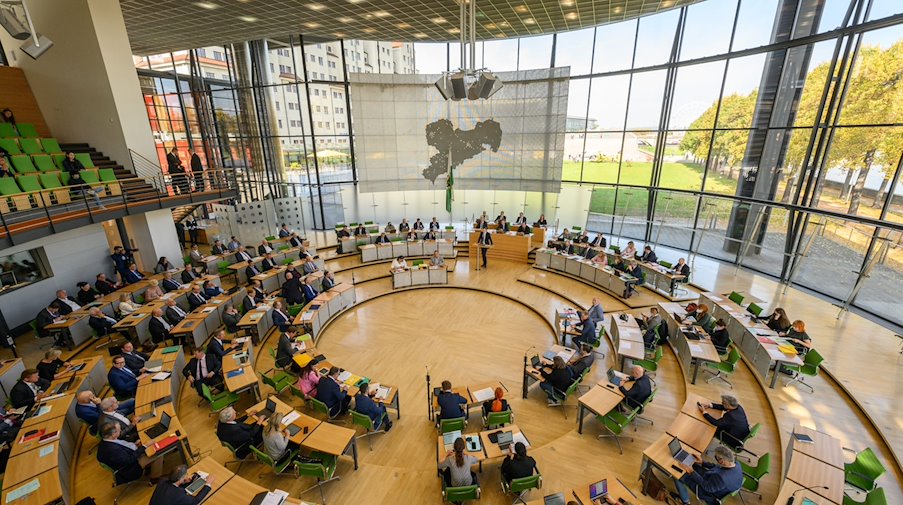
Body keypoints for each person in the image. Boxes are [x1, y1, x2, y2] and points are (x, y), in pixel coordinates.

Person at [672, 446, 743, 505]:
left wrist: (691, 471)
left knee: (678, 475)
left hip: (707, 493)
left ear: (722, 461)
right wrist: (702, 462)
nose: (715, 458)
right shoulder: (736, 464)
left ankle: (685, 501)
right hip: (713, 481)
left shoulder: (721, 478)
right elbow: (717, 467)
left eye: (716, 457)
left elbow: (707, 487)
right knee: (694, 465)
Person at [149, 464, 215, 505]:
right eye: (186, 474)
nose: (188, 475)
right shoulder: (179, 494)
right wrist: (208, 484)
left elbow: (173, 486)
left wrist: (185, 482)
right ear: (181, 478)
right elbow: (195, 501)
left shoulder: (162, 480)